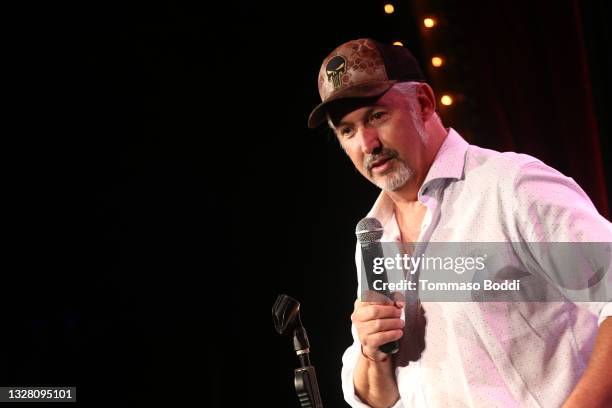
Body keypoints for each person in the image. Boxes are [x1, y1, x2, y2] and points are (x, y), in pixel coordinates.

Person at [308, 38, 612, 407]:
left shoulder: (511, 186)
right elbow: (381, 399)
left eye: (376, 116)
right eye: (347, 131)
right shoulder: (373, 236)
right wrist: (373, 354)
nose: (367, 143)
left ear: (422, 102)